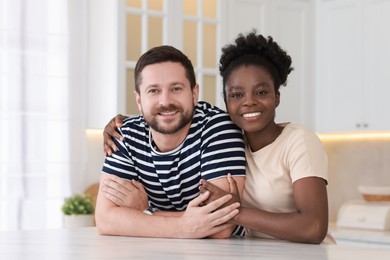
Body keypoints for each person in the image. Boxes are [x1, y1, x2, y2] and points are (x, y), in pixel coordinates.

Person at [103, 31, 331, 244]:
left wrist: (146, 212)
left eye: (261, 92)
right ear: (227, 101)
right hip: (256, 251)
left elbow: (313, 227)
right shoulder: (237, 137)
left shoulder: (297, 141)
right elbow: (106, 219)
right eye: (237, 95)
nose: (249, 102)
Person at [95, 45, 246, 239]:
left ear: (194, 93)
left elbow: (221, 225)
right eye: (154, 91)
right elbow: (105, 220)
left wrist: (146, 212)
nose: (165, 101)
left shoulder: (218, 128)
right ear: (139, 100)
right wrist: (184, 226)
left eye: (176, 88)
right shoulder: (124, 134)